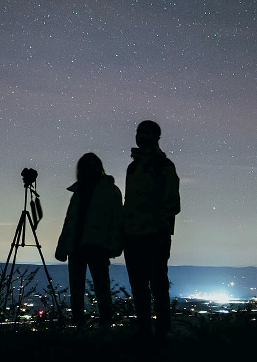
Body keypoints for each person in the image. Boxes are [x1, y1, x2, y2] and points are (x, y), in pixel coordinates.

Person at [123, 120, 180, 341]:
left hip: (154, 235)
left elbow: (172, 203)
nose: (140, 136)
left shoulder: (163, 166)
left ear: (156, 137)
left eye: (145, 133)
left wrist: (157, 225)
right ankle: (146, 332)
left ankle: (161, 333)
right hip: (134, 235)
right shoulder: (134, 166)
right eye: (139, 132)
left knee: (156, 284)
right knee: (140, 286)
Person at [55, 152, 124, 329]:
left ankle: (102, 325)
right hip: (80, 246)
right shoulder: (82, 192)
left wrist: (115, 245)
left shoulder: (105, 191)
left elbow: (117, 220)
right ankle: (86, 326)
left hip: (95, 246)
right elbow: (70, 221)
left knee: (98, 288)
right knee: (84, 289)